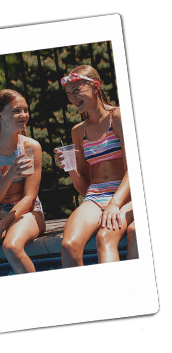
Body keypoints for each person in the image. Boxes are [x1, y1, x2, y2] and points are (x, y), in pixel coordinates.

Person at [54, 65, 135, 267]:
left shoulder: (117, 118)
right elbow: (85, 187)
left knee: (105, 237)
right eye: (68, 93)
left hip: (126, 196)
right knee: (69, 245)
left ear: (95, 86)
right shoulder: (78, 132)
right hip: (95, 197)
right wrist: (71, 169)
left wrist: (115, 204)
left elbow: (133, 169)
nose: (72, 98)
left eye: (76, 90)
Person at [0, 89, 46, 278]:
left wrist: (2, 226)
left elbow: (29, 198)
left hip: (26, 212)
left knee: (11, 247)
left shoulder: (30, 147)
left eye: (25, 110)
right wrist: (10, 174)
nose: (23, 115)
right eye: (16, 111)